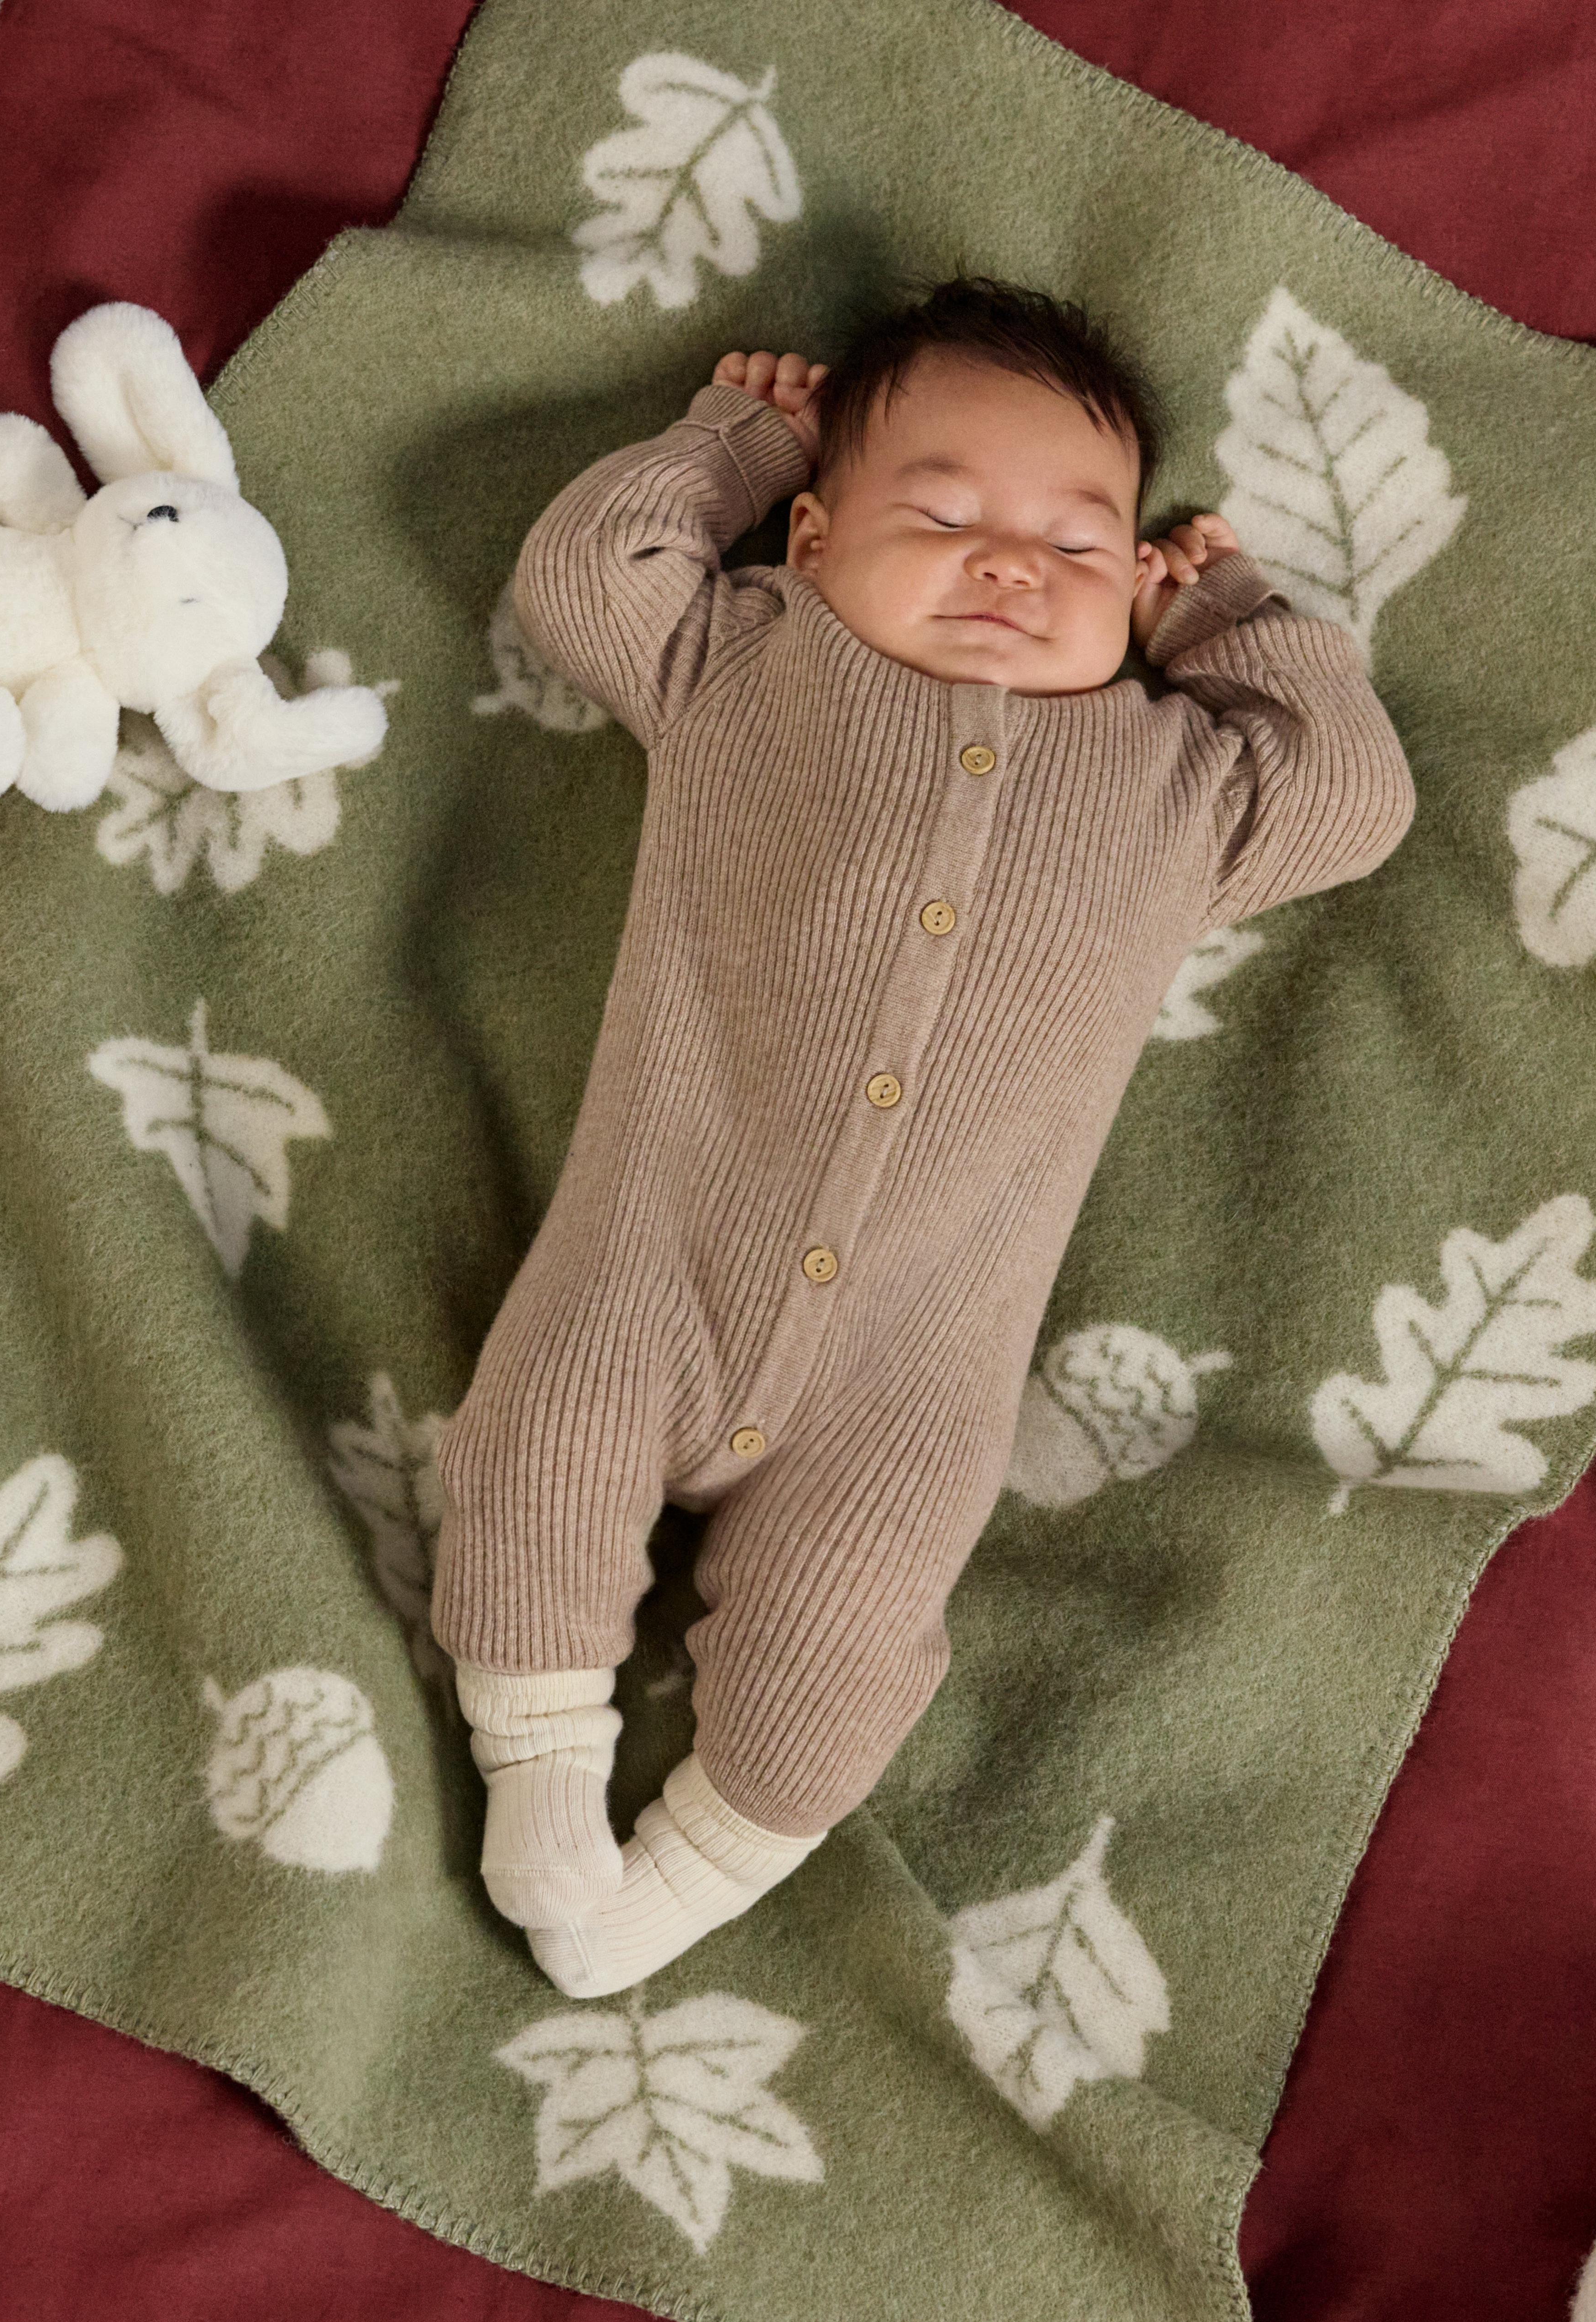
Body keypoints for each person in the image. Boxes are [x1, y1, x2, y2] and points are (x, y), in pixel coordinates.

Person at [432, 278, 1416, 1997]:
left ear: (1135, 582)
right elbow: (588, 574)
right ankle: (540, 1764)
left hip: (916, 1364)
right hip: (652, 1258)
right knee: (543, 1454)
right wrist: (736, 446)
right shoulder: (746, 660)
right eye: (944, 517)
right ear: (816, 543)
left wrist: (1228, 621)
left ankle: (700, 1861)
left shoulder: (1179, 787)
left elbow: (1352, 797)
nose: (1013, 566)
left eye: (1079, 546)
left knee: (850, 1637)